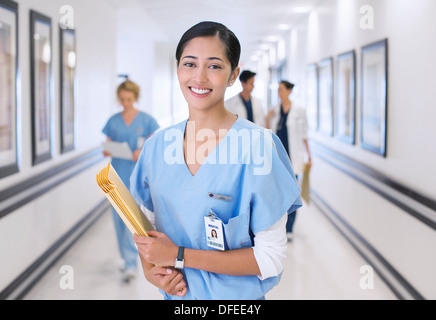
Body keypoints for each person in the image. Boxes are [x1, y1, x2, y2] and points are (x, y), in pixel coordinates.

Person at [131, 21, 301, 300]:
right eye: (189, 64)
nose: (199, 78)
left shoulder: (259, 147)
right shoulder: (157, 147)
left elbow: (270, 258)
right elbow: (145, 230)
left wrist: (179, 256)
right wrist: (151, 271)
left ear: (233, 75)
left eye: (214, 66)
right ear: (177, 69)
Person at [102, 80, 160, 282]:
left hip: (137, 178)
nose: (125, 103)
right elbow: (107, 144)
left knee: (133, 221)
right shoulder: (113, 121)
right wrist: (108, 149)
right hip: (116, 176)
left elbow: (154, 146)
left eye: (129, 99)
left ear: (135, 98)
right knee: (119, 220)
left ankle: (131, 262)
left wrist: (140, 152)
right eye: (122, 99)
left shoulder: (147, 121)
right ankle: (126, 258)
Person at [266, 80, 312, 241]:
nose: (279, 93)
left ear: (289, 91)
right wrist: (268, 117)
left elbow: (304, 135)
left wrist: (309, 156)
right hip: (277, 159)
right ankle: (278, 226)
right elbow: (267, 131)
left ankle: (290, 228)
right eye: (278, 90)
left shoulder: (299, 110)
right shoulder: (274, 110)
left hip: (293, 159)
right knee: (277, 194)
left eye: (281, 89)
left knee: (292, 194)